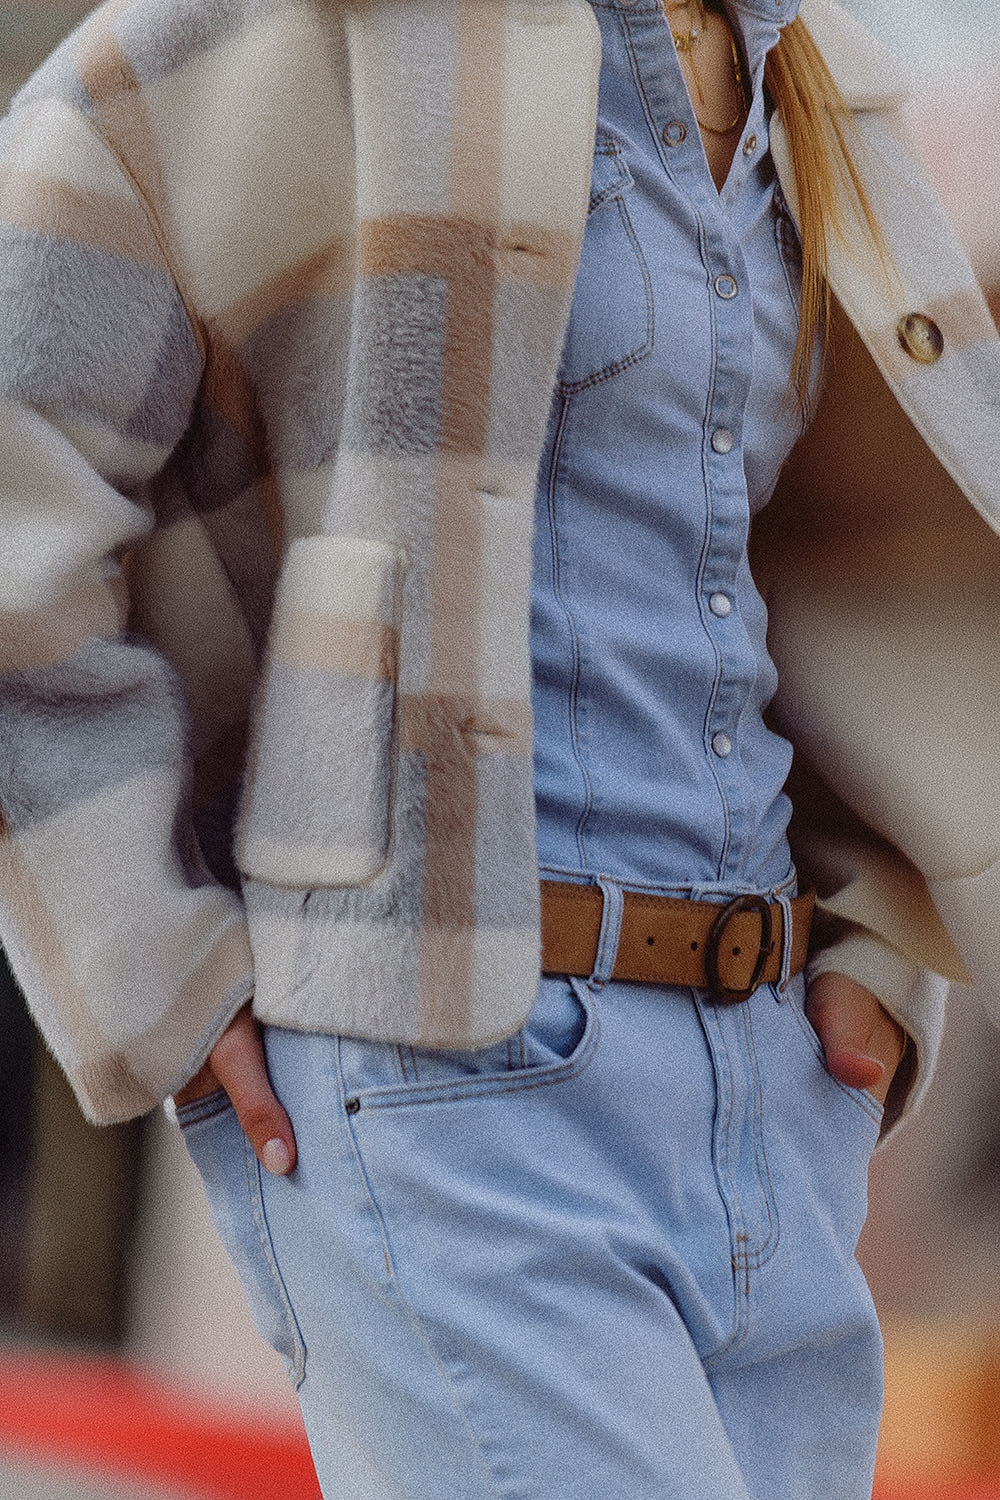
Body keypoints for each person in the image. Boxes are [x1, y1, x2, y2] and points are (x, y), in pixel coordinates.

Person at [1, 0, 998, 1493]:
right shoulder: (312, 29)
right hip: (449, 1077)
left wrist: (884, 948)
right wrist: (152, 967)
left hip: (773, 1106)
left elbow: (844, 566)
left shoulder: (818, 80)